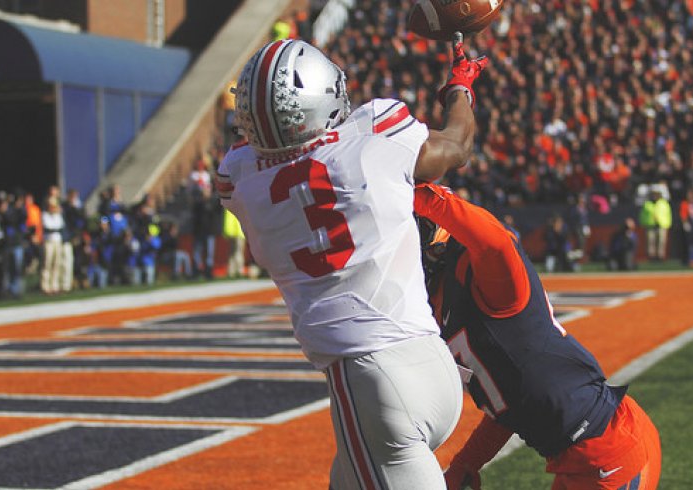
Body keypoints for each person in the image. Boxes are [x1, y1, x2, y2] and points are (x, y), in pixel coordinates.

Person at [217, 35, 487, 488]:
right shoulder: (376, 130)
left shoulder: (241, 182)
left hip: (370, 386)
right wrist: (460, 86)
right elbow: (456, 146)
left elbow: (256, 159)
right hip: (427, 361)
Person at [414, 182, 661, 490]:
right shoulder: (439, 305)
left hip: (609, 450)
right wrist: (467, 462)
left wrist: (420, 193)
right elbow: (508, 407)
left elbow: (497, 244)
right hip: (586, 453)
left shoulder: (485, 281)